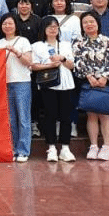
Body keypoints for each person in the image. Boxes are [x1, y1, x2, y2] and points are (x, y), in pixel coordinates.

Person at [31, 17, 76, 162]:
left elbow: (72, 66)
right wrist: (50, 65)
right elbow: (33, 66)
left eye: (55, 26)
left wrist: (62, 59)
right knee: (50, 115)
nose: (53, 29)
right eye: (49, 26)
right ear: (44, 29)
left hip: (66, 84)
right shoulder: (37, 46)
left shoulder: (65, 45)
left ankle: (65, 148)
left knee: (66, 117)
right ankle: (51, 147)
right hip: (48, 84)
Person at [73, 11, 109, 160]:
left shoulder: (107, 41)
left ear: (98, 23)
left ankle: (107, 147)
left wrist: (104, 77)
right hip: (88, 82)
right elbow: (78, 61)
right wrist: (89, 76)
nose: (89, 24)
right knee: (91, 114)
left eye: (91, 21)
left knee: (105, 114)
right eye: (85, 22)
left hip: (105, 82)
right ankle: (93, 146)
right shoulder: (78, 42)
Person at [0, 14, 34, 162]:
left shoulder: (23, 41)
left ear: (16, 25)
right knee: (10, 118)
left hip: (21, 82)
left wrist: (16, 52)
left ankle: (23, 151)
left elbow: (29, 62)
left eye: (10, 23)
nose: (7, 26)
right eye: (4, 23)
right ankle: (12, 149)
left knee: (23, 118)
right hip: (4, 83)